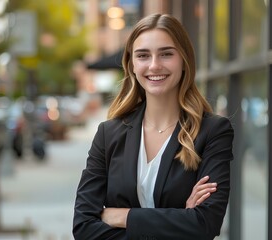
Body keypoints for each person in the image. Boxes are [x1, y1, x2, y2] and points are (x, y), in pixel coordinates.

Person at [73, 13, 234, 240]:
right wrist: (179, 220)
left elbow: (205, 224)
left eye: (166, 54)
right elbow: (83, 227)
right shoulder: (108, 134)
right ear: (131, 64)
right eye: (143, 55)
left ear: (184, 60)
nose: (154, 65)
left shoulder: (213, 132)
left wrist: (122, 216)